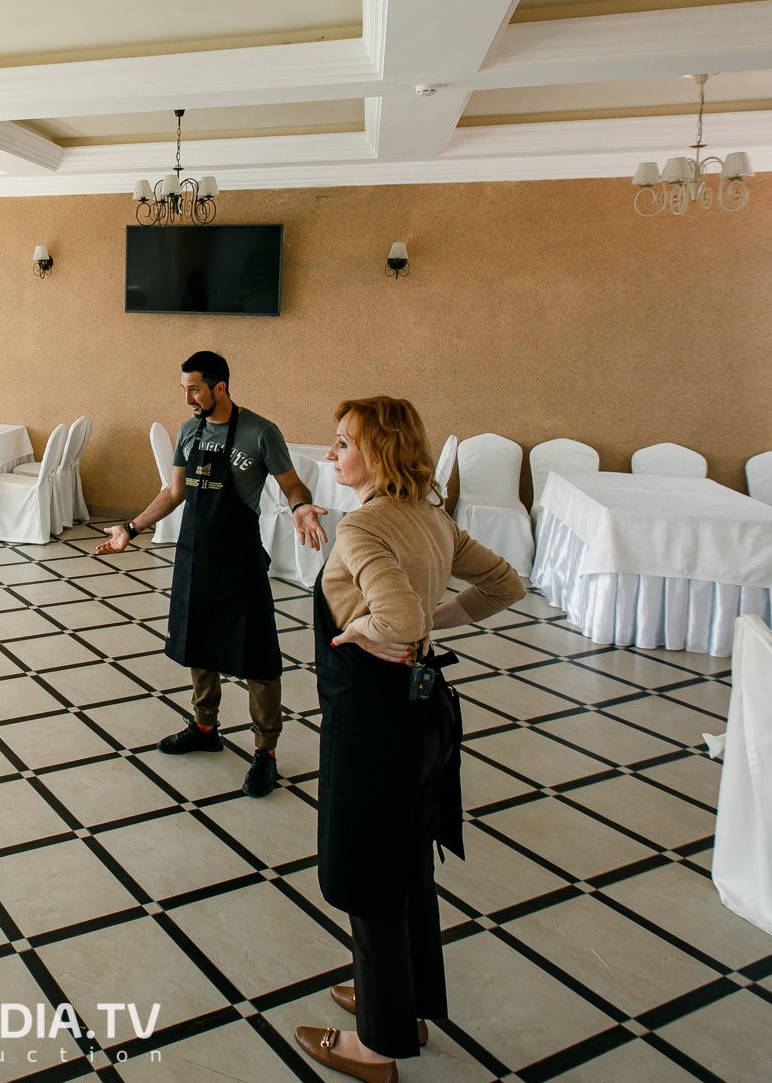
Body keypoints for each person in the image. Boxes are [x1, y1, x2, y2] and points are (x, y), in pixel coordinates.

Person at [294, 396, 524, 1082]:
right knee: (407, 870)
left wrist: (369, 630)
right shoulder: (431, 517)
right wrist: (431, 622)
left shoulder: (362, 527)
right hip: (426, 719)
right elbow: (505, 584)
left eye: (342, 444)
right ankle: (404, 1003)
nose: (331, 454)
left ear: (379, 454)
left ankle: (378, 1045)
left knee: (367, 876)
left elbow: (395, 617)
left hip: (375, 728)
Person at [95, 350, 328, 797]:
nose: (187, 399)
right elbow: (174, 492)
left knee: (258, 658)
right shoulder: (190, 430)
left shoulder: (261, 432)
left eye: (194, 389)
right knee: (197, 642)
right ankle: (205, 728)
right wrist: (131, 527)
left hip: (240, 561)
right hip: (195, 556)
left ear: (220, 387)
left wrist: (300, 507)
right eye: (184, 389)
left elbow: (292, 484)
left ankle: (265, 752)